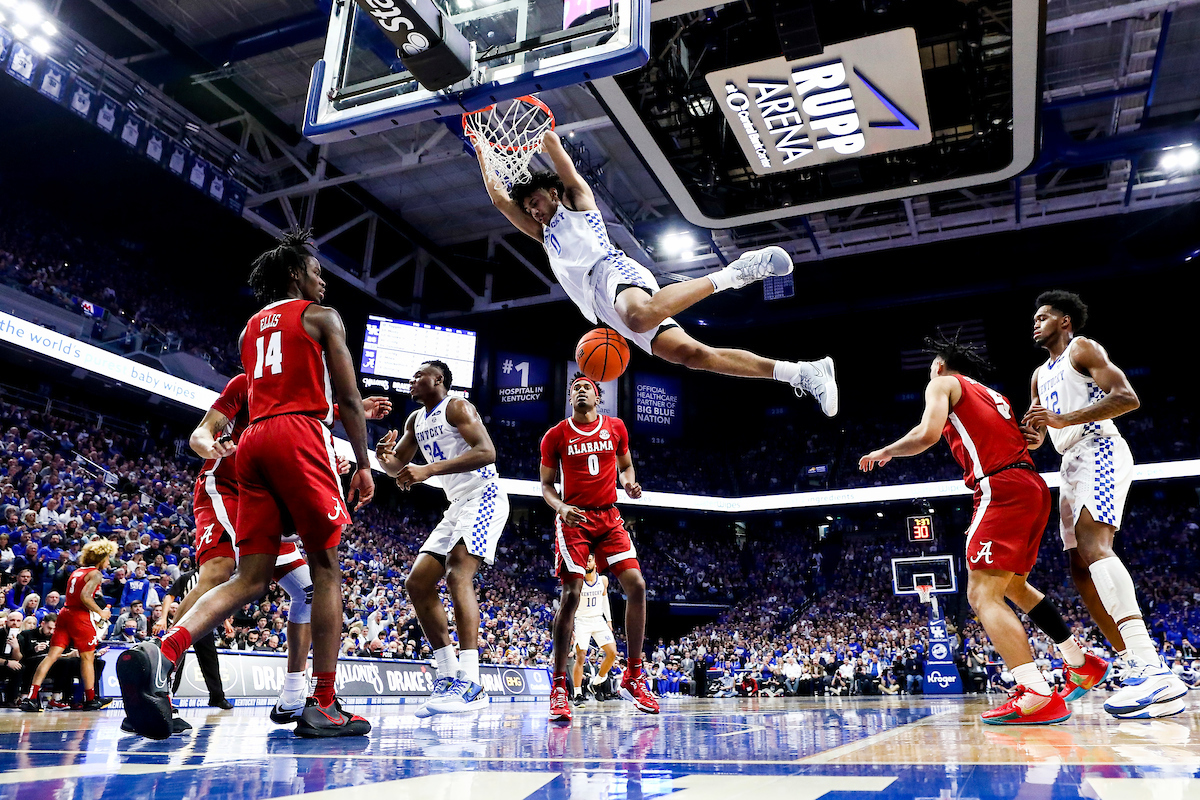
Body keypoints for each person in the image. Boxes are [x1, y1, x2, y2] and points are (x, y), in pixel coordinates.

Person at [117, 228, 375, 740]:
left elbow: (274, 389)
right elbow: (347, 399)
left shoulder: (249, 330)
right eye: (317, 272)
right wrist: (363, 463)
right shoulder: (323, 316)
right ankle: (325, 702)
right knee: (326, 570)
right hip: (298, 434)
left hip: (253, 444)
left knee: (250, 578)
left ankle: (163, 651)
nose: (323, 281)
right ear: (296, 274)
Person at [475, 129, 838, 416]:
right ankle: (801, 372)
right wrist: (481, 151)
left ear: (552, 193)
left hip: (612, 270)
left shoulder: (576, 202)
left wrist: (543, 137)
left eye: (535, 202)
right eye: (529, 209)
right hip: (600, 307)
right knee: (692, 355)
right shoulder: (542, 234)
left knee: (639, 316)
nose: (533, 211)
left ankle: (736, 273)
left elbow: (557, 151)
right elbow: (498, 200)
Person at [860, 332, 1106, 725]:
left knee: (981, 593)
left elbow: (926, 434)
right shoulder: (993, 395)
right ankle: (1080, 662)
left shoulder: (942, 382)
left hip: (1001, 488)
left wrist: (886, 451)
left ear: (940, 365)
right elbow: (1026, 440)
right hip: (1031, 486)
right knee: (1013, 586)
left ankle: (1036, 693)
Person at [181, 370, 390, 723]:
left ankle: (292, 694)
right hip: (227, 488)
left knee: (309, 591)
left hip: (267, 499)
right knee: (219, 571)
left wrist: (337, 454)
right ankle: (157, 663)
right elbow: (201, 432)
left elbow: (312, 424)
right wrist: (210, 445)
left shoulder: (305, 394)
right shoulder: (245, 383)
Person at [1023, 290, 1188, 719]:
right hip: (1068, 461)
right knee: (1080, 568)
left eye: (1044, 317)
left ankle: (1151, 665)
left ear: (1065, 321)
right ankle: (1134, 664)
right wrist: (1035, 436)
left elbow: (1127, 397)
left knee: (1095, 547)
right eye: (1034, 318)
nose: (1036, 323)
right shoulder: (1039, 375)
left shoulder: (1083, 348)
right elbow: (1042, 429)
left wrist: (1063, 420)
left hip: (1099, 447)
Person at [375, 359, 508, 717]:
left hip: (484, 494)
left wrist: (429, 469)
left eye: (419, 375)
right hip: (457, 504)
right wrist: (384, 459)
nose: (412, 380)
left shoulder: (457, 406)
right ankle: (448, 676)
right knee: (417, 582)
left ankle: (472, 681)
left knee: (457, 573)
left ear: (438, 380)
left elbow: (487, 452)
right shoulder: (415, 420)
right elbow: (399, 468)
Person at [539, 374, 659, 722]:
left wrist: (629, 483)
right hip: (574, 518)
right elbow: (546, 485)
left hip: (608, 516)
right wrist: (561, 507)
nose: (580, 391)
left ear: (597, 397)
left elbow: (626, 465)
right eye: (575, 389)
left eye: (586, 388)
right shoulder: (556, 435)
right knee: (571, 596)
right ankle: (559, 687)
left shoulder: (616, 427)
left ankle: (633, 676)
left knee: (637, 586)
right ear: (570, 399)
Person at [20, 538, 115, 711]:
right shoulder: (95, 573)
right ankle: (91, 699)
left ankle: (31, 698)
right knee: (88, 657)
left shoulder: (77, 571)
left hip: (64, 613)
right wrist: (101, 612)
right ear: (101, 558)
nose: (109, 562)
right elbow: (85, 597)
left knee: (51, 656)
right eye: (108, 558)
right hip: (79, 616)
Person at [570, 553, 617, 706]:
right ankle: (577, 693)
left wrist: (608, 620)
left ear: (595, 562)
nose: (586, 564)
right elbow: (571, 605)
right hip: (581, 621)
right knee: (581, 656)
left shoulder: (603, 580)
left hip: (598, 619)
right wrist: (571, 627)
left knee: (612, 653)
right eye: (584, 561)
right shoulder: (578, 582)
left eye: (589, 561)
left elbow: (604, 599)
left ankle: (596, 682)